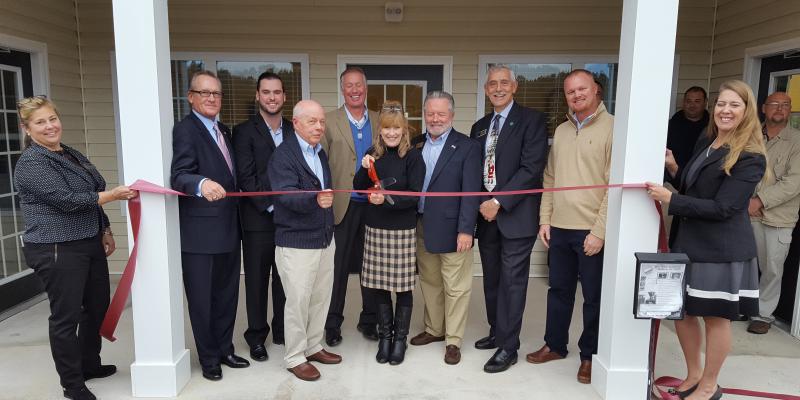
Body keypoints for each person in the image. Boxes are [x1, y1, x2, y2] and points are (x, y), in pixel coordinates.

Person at [647, 79, 767, 400]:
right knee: (683, 312)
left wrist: (671, 200)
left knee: (715, 318)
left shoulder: (751, 156)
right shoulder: (708, 142)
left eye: (734, 105)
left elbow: (724, 207)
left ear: (747, 111)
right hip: (689, 244)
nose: (726, 111)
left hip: (720, 250)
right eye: (722, 104)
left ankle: (710, 385)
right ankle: (693, 376)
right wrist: (674, 169)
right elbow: (696, 189)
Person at [14, 96, 137, 400]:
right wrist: (113, 196)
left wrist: (105, 228)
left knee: (95, 308)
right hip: (56, 248)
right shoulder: (31, 162)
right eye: (40, 122)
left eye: (52, 118)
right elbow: (67, 200)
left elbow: (91, 191)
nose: (49, 126)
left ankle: (89, 365)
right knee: (66, 317)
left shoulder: (68, 153)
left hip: (89, 241)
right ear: (27, 129)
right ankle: (72, 384)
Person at [528, 69, 613, 385]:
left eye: (582, 89)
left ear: (595, 91)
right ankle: (555, 345)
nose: (576, 95)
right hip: (559, 228)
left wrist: (599, 231)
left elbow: (613, 185)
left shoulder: (613, 128)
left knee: (593, 297)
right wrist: (545, 219)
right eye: (570, 92)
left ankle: (589, 356)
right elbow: (550, 177)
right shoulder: (562, 130)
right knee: (559, 291)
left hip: (590, 231)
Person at [170, 71, 249, 382]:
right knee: (202, 299)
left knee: (227, 295)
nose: (212, 98)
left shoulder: (224, 131)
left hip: (230, 227)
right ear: (191, 97)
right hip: (200, 234)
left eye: (216, 94)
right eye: (205, 93)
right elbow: (179, 174)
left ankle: (225, 348)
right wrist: (201, 183)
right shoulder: (186, 130)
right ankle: (209, 358)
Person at [470, 65, 548, 373]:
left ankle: (509, 346)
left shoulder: (532, 121)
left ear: (514, 87)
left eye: (504, 83)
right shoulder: (480, 125)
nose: (498, 88)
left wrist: (499, 201)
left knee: (512, 282)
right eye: (492, 84)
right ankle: (497, 331)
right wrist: (481, 203)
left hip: (516, 216)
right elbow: (473, 170)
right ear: (486, 89)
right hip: (485, 218)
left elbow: (531, 169)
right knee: (492, 280)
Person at [268, 99, 342, 381]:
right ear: (296, 123)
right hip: (296, 243)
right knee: (297, 302)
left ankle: (313, 346)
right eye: (312, 121)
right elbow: (284, 195)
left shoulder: (319, 153)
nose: (319, 126)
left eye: (322, 121)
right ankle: (295, 356)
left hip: (324, 238)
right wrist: (315, 199)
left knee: (320, 298)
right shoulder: (283, 156)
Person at [409, 91, 481, 365]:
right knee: (430, 282)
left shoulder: (467, 147)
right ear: (424, 114)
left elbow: (471, 191)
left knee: (456, 286)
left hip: (454, 229)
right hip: (421, 224)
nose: (435, 118)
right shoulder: (415, 145)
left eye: (441, 113)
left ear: (451, 115)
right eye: (430, 113)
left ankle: (453, 340)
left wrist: (467, 230)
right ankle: (434, 329)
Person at [353, 101, 425, 365]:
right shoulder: (374, 153)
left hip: (402, 231)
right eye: (386, 128)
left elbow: (415, 196)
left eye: (396, 128)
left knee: (403, 289)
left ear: (404, 129)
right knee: (379, 287)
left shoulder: (413, 156)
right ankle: (385, 336)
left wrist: (386, 199)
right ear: (380, 130)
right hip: (376, 228)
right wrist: (363, 167)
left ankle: (399, 340)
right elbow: (359, 187)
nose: (391, 133)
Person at [232, 71, 290, 361]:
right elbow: (246, 177)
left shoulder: (294, 129)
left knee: (285, 278)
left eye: (276, 92)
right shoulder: (243, 132)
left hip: (291, 220)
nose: (271, 97)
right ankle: (256, 336)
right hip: (258, 219)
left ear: (284, 97)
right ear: (257, 96)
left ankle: (282, 330)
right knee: (257, 281)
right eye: (266, 92)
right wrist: (271, 205)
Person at [322, 67, 380, 346]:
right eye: (349, 86)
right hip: (341, 205)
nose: (354, 90)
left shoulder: (381, 121)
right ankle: (332, 323)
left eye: (359, 85)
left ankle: (369, 320)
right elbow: (319, 162)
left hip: (373, 205)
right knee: (338, 267)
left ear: (365, 88)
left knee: (371, 267)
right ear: (342, 89)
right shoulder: (329, 120)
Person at [747, 92, 800, 334]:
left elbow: (793, 183)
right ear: (763, 108)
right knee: (744, 261)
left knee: (772, 268)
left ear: (790, 110)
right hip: (745, 213)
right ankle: (741, 305)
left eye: (785, 105)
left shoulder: (797, 141)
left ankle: (763, 314)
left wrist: (760, 201)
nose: (780, 109)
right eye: (774, 104)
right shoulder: (751, 136)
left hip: (778, 219)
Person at [667, 87, 710, 171]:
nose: (692, 105)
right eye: (688, 101)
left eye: (697, 101)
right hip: (671, 175)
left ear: (705, 102)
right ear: (683, 102)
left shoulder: (713, 127)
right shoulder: (671, 125)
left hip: (700, 176)